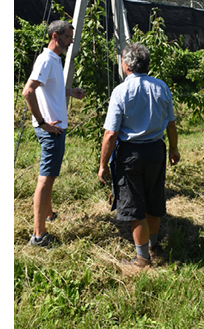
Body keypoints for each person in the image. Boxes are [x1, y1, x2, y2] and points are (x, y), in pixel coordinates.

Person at [98, 43, 180, 268]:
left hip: (130, 154)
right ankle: (152, 245)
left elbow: (111, 133)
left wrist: (103, 163)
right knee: (154, 199)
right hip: (156, 150)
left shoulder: (121, 91)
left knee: (135, 205)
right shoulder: (161, 87)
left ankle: (142, 258)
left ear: (126, 65)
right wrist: (174, 149)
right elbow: (171, 124)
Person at [22, 20, 86, 247]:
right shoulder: (46, 60)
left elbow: (49, 88)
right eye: (68, 37)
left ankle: (48, 213)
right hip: (51, 130)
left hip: (56, 128)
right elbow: (28, 92)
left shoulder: (54, 60)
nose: (71, 42)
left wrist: (70, 92)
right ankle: (38, 236)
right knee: (46, 180)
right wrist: (42, 123)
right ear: (56, 36)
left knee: (50, 177)